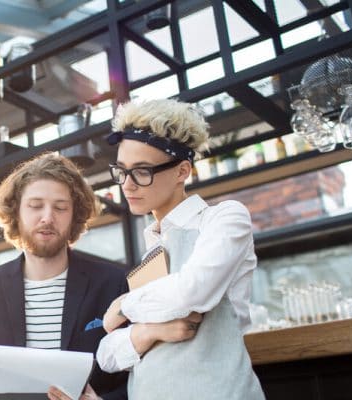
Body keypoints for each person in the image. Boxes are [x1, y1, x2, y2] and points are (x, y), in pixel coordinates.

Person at [95, 99, 265, 399]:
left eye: (142, 171)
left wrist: (124, 304)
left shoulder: (223, 218)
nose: (128, 185)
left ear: (182, 171)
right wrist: (148, 331)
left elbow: (193, 291)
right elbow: (107, 355)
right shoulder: (151, 252)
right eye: (121, 171)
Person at [0, 153, 129, 400]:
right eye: (35, 206)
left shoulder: (112, 283)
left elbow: (135, 378)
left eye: (60, 207)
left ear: (74, 215)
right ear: (16, 212)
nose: (47, 217)